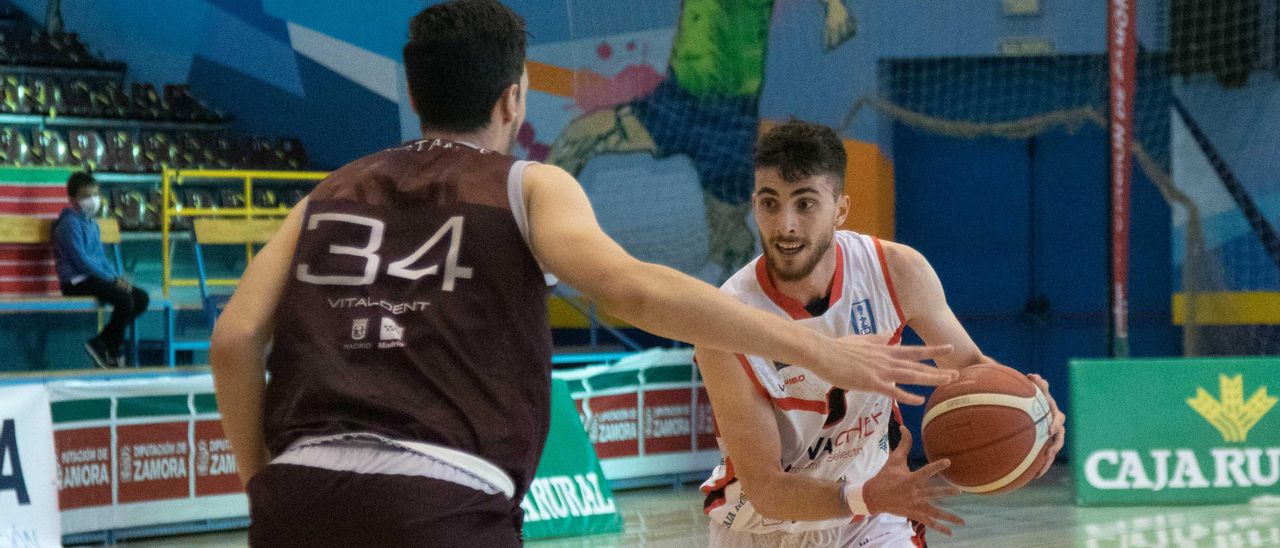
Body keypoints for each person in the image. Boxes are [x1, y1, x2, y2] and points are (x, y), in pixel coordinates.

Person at [209, 2, 956, 546]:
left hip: (297, 499)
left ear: (414, 95)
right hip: (439, 501)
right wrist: (815, 348)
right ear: (513, 98)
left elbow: (235, 338)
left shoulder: (327, 191)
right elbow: (631, 288)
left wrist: (261, 484)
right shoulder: (526, 185)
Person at [696, 120, 1067, 547]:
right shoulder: (725, 321)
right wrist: (864, 496)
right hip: (767, 526)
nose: (786, 225)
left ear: (840, 209)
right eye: (770, 203)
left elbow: (968, 368)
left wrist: (1034, 408)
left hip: (873, 518)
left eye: (805, 203)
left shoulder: (895, 271)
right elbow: (768, 489)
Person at [52, 171, 148, 368]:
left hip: (96, 280)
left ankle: (103, 342)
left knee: (140, 298)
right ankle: (112, 349)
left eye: (95, 195)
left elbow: (100, 259)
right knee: (124, 299)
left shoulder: (92, 225)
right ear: (72, 199)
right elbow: (82, 261)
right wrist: (112, 281)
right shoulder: (69, 224)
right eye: (86, 196)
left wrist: (116, 278)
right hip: (76, 282)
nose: (92, 200)